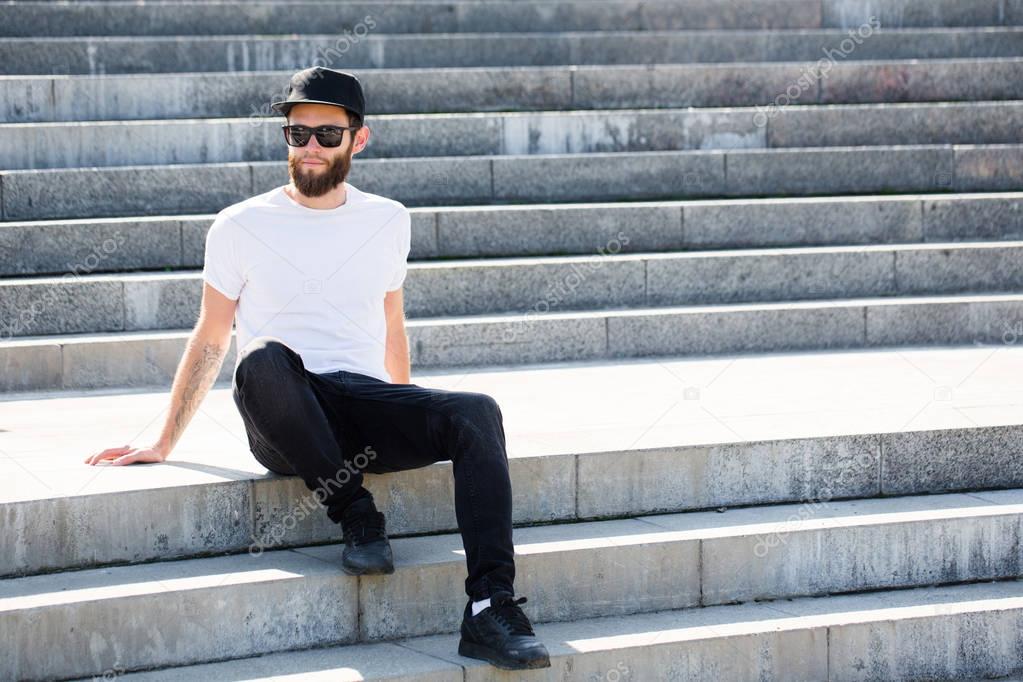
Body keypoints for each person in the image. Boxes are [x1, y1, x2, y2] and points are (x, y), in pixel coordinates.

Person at [84, 66, 551, 671]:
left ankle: (490, 608)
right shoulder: (239, 224)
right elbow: (211, 336)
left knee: (477, 413)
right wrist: (163, 440)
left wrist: (406, 407)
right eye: (297, 134)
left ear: (359, 140)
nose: (309, 148)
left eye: (326, 136)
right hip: (287, 414)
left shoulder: (388, 219)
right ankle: (357, 517)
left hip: (363, 404)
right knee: (264, 359)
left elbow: (391, 325)